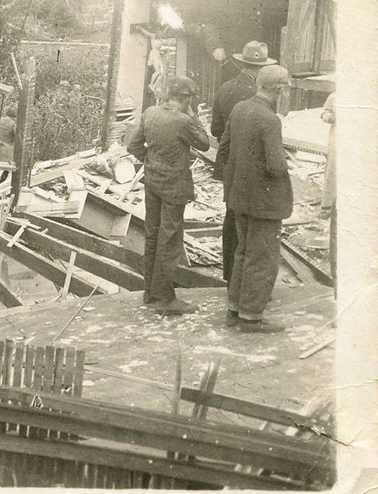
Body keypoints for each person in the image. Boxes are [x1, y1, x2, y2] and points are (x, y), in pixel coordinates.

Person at [218, 64, 294, 333]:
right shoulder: (270, 119)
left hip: (238, 197)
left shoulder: (240, 108)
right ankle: (251, 318)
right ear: (281, 89)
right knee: (261, 258)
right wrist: (286, 165)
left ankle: (235, 309)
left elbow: (224, 149)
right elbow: (275, 166)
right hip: (264, 202)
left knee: (243, 252)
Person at [125, 76, 210, 316]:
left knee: (152, 234)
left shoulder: (150, 113)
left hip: (152, 181)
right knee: (169, 239)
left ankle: (150, 292)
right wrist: (194, 116)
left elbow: (132, 146)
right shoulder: (184, 121)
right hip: (174, 186)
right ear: (186, 99)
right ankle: (164, 297)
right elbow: (204, 144)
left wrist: (151, 162)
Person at [212, 41, 276, 283]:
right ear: (261, 69)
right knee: (254, 221)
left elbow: (216, 128)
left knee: (231, 217)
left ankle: (230, 276)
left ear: (242, 63)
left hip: (229, 163)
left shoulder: (225, 87)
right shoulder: (262, 95)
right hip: (253, 166)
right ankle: (247, 282)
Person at [319, 92, 336, 294]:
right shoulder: (335, 96)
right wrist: (329, 117)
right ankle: (328, 205)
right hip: (338, 139)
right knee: (333, 173)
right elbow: (324, 113)